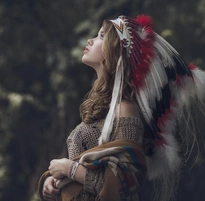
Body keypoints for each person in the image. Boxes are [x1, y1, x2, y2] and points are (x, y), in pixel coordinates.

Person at [37, 14, 205, 201]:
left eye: (101, 36)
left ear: (116, 51)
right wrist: (52, 182)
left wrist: (70, 169)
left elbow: (121, 187)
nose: (90, 40)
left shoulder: (125, 109)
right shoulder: (101, 108)